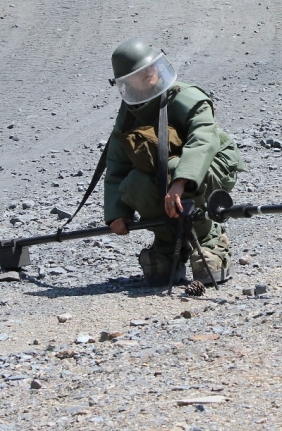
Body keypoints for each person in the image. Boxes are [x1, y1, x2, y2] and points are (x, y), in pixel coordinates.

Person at [104, 38, 247, 287]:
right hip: (167, 175)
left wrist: (180, 181)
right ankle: (168, 245)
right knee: (136, 182)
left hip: (213, 166)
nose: (149, 73)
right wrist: (117, 213)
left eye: (151, 67)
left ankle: (210, 241)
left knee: (170, 171)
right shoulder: (129, 111)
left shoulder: (187, 96)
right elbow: (118, 163)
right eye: (140, 72)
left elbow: (203, 140)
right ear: (126, 82)